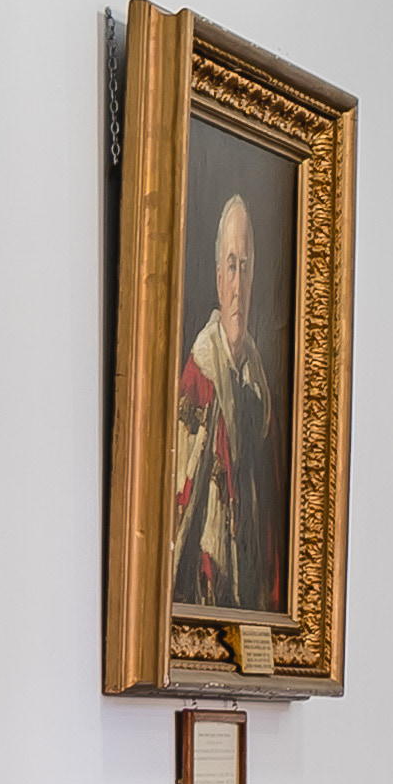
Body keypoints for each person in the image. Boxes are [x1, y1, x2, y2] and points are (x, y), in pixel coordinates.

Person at [163, 191, 275, 611]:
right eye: (231, 265)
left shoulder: (258, 385)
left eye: (245, 267)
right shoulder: (199, 376)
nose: (238, 285)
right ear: (217, 278)